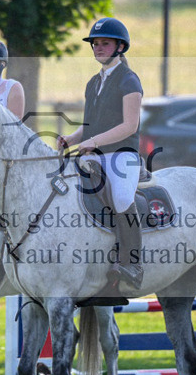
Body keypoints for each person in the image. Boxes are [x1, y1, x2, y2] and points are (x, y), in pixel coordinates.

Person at [57, 17, 144, 293]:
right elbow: (90, 124)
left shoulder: (129, 80)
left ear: (120, 46)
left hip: (122, 155)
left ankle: (133, 262)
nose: (98, 48)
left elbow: (130, 125)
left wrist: (94, 141)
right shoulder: (93, 82)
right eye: (95, 44)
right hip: (94, 154)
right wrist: (71, 139)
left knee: (120, 196)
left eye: (104, 43)